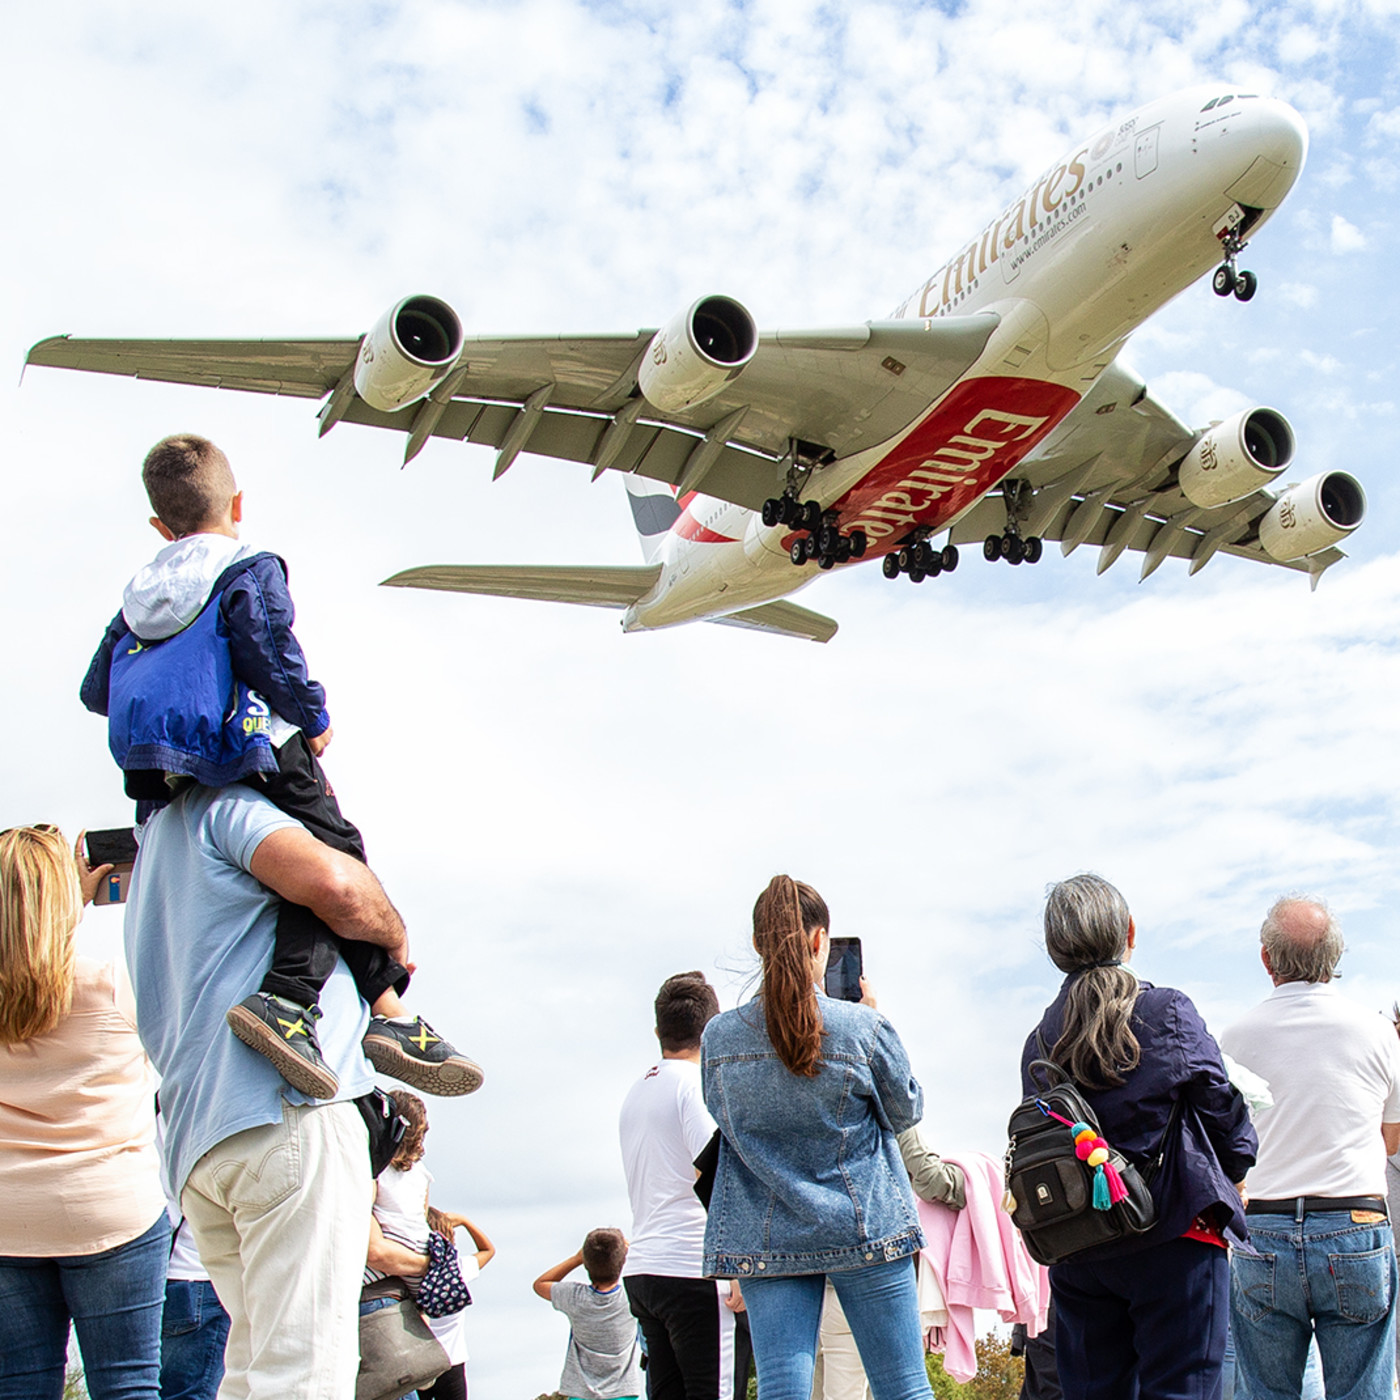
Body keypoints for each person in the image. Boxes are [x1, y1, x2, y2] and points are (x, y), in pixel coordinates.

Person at [81, 432, 478, 1099]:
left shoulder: (136, 599)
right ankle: (298, 1002)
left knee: (303, 861)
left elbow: (98, 690)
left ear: (160, 525)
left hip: (164, 771)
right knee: (337, 854)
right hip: (249, 741)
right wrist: (313, 718)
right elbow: (269, 645)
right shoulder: (245, 565)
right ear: (238, 502)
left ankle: (389, 1015)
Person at [125, 781, 408, 1398]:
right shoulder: (228, 808)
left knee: (254, 1371)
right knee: (305, 1374)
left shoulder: (152, 855)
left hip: (200, 1141)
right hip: (287, 1114)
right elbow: (338, 887)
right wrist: (392, 934)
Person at [1021, 873, 1256, 1400]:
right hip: (1176, 1233)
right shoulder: (1165, 1011)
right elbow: (1221, 1107)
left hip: (1081, 1248)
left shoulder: (1039, 1039)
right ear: (1129, 931)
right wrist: (1237, 1168)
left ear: (1056, 949)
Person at [701, 875, 933, 1400]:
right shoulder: (861, 1029)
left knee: (783, 1390)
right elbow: (906, 1111)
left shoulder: (718, 1038)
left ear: (760, 944)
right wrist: (873, 1018)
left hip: (767, 1235)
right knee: (903, 1388)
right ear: (819, 942)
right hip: (864, 1226)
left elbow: (726, 1121)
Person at [0, 825, 169, 1400]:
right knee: (128, 1385)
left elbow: (24, 967)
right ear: (66, 892)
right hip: (109, 1209)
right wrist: (69, 905)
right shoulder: (113, 987)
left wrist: (30, 913)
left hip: (7, 1215)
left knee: (18, 1388)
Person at [1221, 896, 1400, 1400]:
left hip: (1264, 1231)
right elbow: (1390, 1137)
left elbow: (1224, 1140)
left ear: (1266, 959)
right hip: (1355, 1225)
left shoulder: (1232, 1039)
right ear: (1335, 957)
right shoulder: (1380, 1034)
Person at [619, 970, 745, 1400]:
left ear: (658, 1031)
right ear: (712, 1028)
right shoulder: (694, 1086)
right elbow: (711, 1168)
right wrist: (737, 1268)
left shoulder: (636, 1091)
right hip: (692, 1266)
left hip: (644, 1269)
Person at [364, 1090, 494, 1400]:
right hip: (415, 1286)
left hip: (376, 1288)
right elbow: (420, 1225)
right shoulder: (422, 1177)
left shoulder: (372, 1172)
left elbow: (375, 1250)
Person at [533, 1228, 644, 1400]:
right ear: (623, 1262)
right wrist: (632, 1255)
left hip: (581, 1393)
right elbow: (652, 1278)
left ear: (586, 1262)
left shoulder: (575, 1297)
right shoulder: (631, 1296)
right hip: (623, 1392)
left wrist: (576, 1259)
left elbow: (541, 1284)